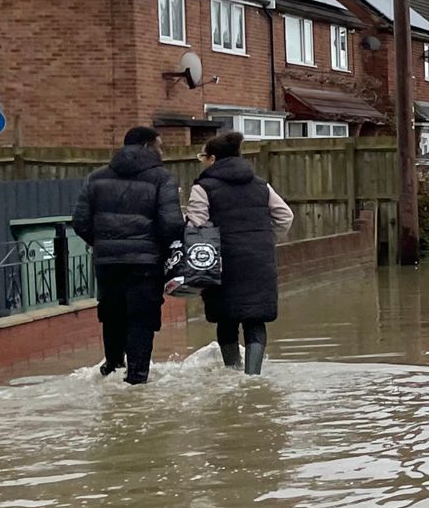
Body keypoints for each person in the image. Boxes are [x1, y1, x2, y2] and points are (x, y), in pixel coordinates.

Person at [72, 127, 184, 385]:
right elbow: (171, 224)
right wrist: (162, 250)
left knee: (112, 314)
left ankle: (111, 367)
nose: (162, 150)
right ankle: (137, 376)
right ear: (147, 146)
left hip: (107, 262)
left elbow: (80, 222)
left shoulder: (95, 178)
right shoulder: (162, 179)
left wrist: (103, 243)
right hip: (146, 263)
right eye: (159, 145)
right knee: (142, 318)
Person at [187, 131, 293, 375]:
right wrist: (266, 240)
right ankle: (253, 376)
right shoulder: (260, 185)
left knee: (227, 318)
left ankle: (232, 374)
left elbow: (196, 226)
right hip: (259, 260)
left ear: (213, 158)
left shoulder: (203, 187)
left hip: (223, 263)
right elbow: (285, 216)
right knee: (255, 319)